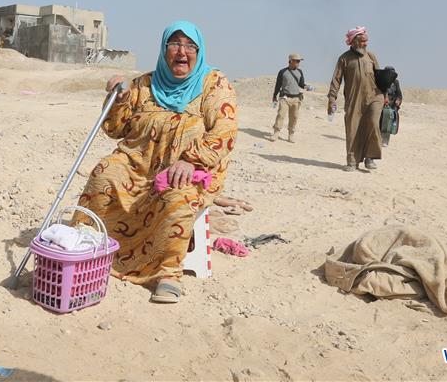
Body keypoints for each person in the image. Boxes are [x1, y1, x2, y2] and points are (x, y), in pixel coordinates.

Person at [75, 21, 237, 304]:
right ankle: (90, 249)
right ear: (164, 50)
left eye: (190, 46)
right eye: (174, 44)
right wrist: (118, 99)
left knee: (179, 194)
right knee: (104, 173)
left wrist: (191, 161)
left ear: (199, 52)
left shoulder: (214, 84)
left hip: (189, 169)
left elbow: (225, 132)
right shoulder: (144, 84)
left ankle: (167, 273)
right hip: (139, 165)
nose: (182, 52)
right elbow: (115, 129)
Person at [327, 26, 387, 172]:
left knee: (373, 123)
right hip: (354, 98)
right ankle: (352, 161)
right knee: (353, 128)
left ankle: (370, 157)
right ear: (353, 41)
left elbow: (379, 77)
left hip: (374, 96)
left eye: (366, 41)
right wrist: (332, 98)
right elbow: (336, 79)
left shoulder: (371, 56)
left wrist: (385, 94)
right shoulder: (344, 58)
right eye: (362, 41)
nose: (365, 44)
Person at [270, 53, 306, 142]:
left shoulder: (300, 72)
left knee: (294, 117)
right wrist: (274, 96)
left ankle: (291, 134)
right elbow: (278, 85)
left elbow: (301, 84)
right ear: (291, 61)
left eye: (299, 61)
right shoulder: (282, 72)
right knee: (281, 115)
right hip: (285, 97)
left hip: (296, 98)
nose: (298, 63)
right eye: (297, 61)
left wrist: (306, 86)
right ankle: (276, 132)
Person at [381, 67, 402, 146]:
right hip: (381, 104)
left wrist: (398, 100)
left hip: (391, 106)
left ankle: (385, 141)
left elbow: (399, 95)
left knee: (388, 124)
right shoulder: (381, 81)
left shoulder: (396, 82)